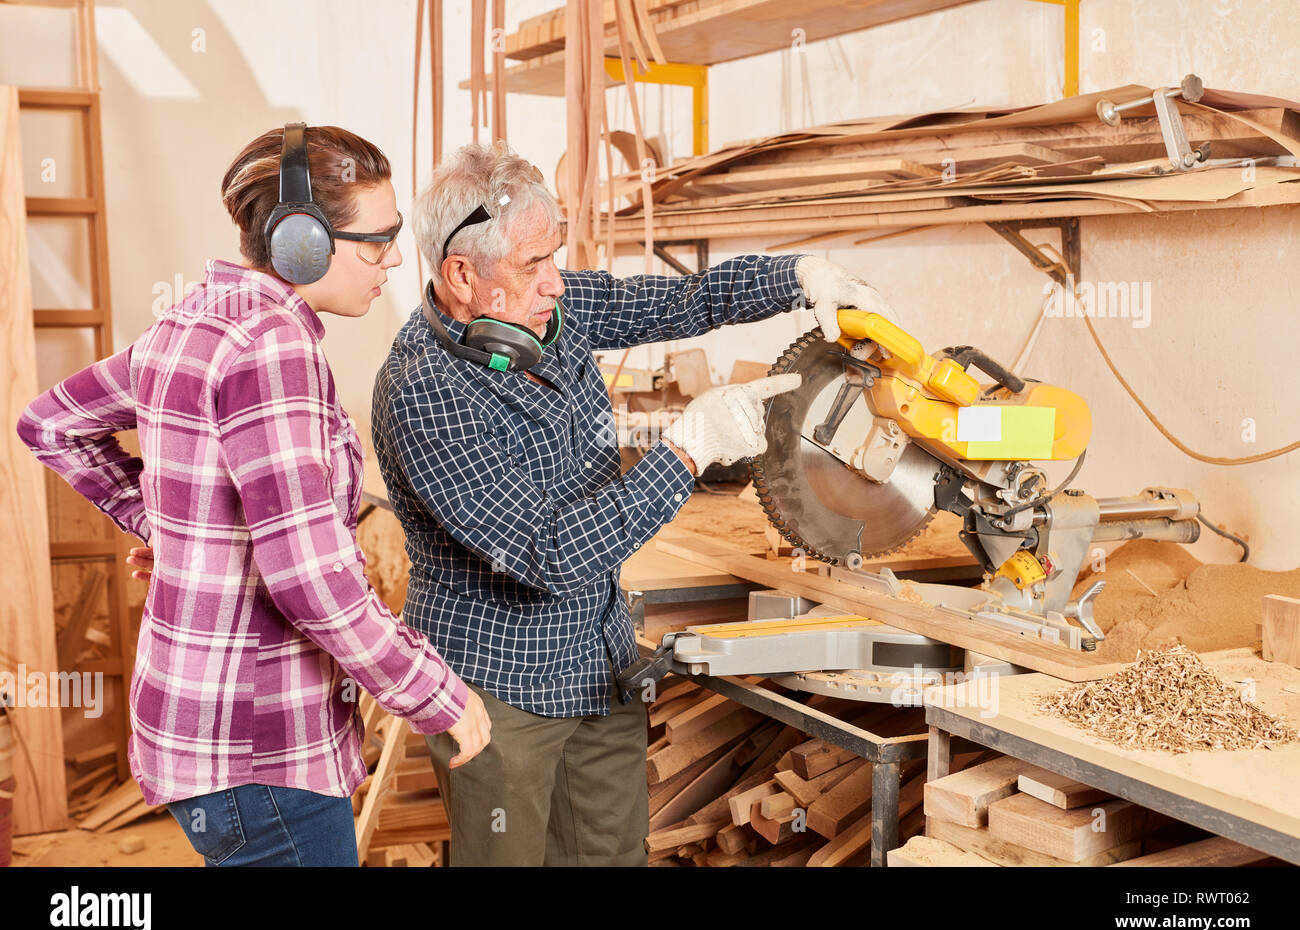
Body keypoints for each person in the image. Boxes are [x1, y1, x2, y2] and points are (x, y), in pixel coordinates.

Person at [370, 140, 897, 866]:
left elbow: (686, 300)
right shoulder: (422, 390)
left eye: (555, 257)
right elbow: (548, 554)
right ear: (462, 275)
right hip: (498, 693)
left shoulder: (548, 311)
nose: (557, 284)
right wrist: (684, 449)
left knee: (612, 856)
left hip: (597, 664)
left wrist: (799, 275)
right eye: (534, 265)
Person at [17, 124, 489, 867]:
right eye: (376, 241)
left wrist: (179, 534)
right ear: (301, 242)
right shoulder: (272, 346)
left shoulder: (194, 320)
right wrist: (437, 693)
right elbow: (311, 581)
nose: (394, 258)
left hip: (201, 737)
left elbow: (51, 423)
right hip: (262, 751)